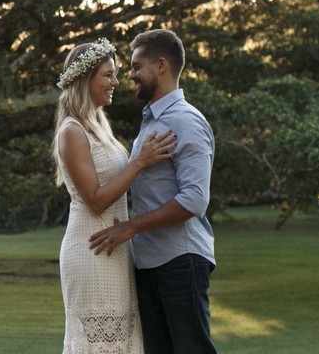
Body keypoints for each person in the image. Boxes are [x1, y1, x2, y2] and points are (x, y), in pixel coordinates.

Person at [88, 29, 217, 353]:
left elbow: (194, 200)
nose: (129, 76)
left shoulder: (185, 121)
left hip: (181, 260)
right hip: (149, 263)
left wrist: (131, 227)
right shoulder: (152, 121)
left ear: (161, 65)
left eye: (135, 66)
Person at [55, 38, 178, 353]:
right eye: (108, 75)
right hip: (91, 248)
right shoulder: (72, 131)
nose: (116, 82)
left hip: (117, 249)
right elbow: (95, 200)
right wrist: (139, 162)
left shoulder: (98, 124)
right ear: (86, 80)